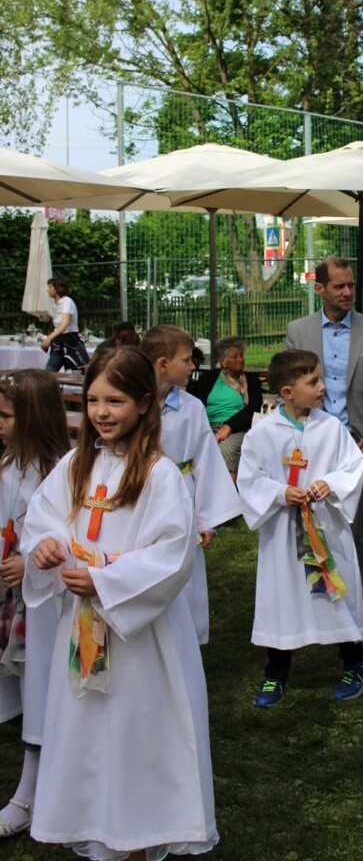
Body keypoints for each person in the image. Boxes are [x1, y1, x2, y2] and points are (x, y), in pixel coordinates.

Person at [21, 347, 219, 859]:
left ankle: (138, 841)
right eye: (92, 400)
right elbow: (44, 518)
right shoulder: (75, 465)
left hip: (141, 640)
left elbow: (173, 553)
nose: (101, 412)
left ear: (145, 403)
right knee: (92, 736)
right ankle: (100, 826)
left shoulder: (159, 474)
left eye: (115, 401)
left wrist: (105, 578)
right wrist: (45, 547)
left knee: (138, 738)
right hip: (84, 630)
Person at [237, 349, 363, 708]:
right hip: (283, 533)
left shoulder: (331, 427)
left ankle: (356, 661)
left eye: (320, 378)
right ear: (288, 393)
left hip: (326, 528)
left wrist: (330, 483)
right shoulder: (262, 434)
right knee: (282, 596)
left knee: (333, 591)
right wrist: (280, 492)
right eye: (313, 382)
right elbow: (249, 479)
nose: (322, 386)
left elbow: (352, 466)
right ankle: (276, 671)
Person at [285, 257, 363, 572]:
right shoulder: (298, 331)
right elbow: (290, 388)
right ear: (320, 288)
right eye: (339, 286)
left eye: (351, 285)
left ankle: (353, 598)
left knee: (352, 530)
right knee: (309, 526)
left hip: (358, 445)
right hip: (310, 444)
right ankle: (312, 594)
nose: (348, 292)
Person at [0, 369, 70, 839]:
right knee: (28, 691)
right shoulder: (9, 465)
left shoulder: (61, 473)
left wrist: (29, 563)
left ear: (33, 418)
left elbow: (69, 535)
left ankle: (29, 793)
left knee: (43, 692)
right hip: (13, 600)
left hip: (46, 606)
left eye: (6, 416)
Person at [141, 325, 241, 644]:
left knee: (183, 573)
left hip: (181, 496)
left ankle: (183, 641)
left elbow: (206, 462)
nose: (192, 365)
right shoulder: (132, 403)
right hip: (140, 493)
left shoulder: (192, 407)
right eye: (186, 360)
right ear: (162, 363)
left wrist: (205, 519)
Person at [195, 337, 263, 478]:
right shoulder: (207, 379)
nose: (240, 359)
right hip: (206, 426)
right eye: (234, 356)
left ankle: (228, 490)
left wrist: (228, 426)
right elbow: (196, 404)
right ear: (223, 361)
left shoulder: (251, 381)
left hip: (236, 429)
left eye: (241, 355)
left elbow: (253, 408)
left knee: (225, 450)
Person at [41, 276, 89, 372]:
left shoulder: (67, 301)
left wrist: (49, 338)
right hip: (58, 346)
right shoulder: (56, 305)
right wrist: (48, 342)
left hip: (71, 344)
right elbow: (57, 327)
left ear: (57, 288)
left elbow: (64, 325)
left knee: (77, 375)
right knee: (49, 373)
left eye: (50, 287)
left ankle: (79, 380)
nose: (48, 290)